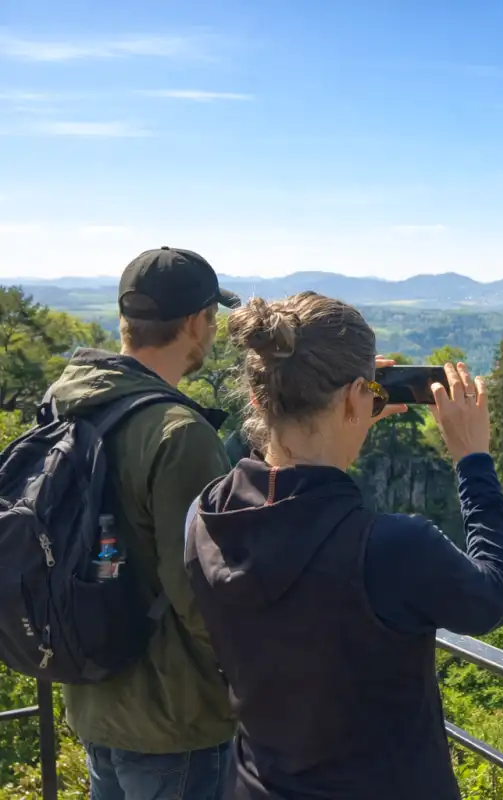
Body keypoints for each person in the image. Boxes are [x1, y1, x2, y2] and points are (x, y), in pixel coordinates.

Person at [184, 292, 503, 800]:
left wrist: (347, 411)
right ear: (352, 398)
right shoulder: (390, 549)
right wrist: (473, 461)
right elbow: (497, 596)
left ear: (259, 398)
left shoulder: (207, 517)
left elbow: (270, 471)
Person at [46, 247, 242, 798]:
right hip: (171, 719)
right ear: (195, 323)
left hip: (93, 697)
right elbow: (201, 592)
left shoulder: (70, 404)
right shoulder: (178, 434)